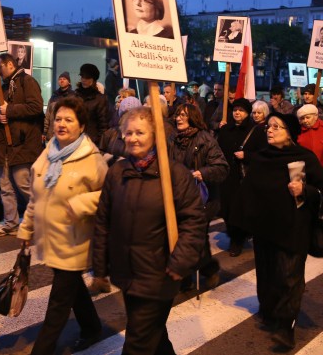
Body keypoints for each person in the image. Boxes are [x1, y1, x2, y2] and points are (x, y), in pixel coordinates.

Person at [93, 106, 206, 355]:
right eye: (129, 132)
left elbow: (194, 221)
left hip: (160, 274)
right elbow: (103, 221)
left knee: (137, 342)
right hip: (127, 272)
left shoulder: (175, 174)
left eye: (140, 133)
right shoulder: (117, 172)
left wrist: (180, 262)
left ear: (154, 136)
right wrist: (100, 268)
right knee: (153, 335)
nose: (133, 138)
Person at [17, 97, 108, 354]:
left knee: (58, 303)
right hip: (51, 238)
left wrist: (82, 203)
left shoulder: (91, 158)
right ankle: (91, 327)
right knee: (72, 288)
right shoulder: (49, 152)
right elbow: (37, 196)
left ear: (81, 126)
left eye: (69, 120)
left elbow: (109, 195)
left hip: (75, 241)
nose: (62, 124)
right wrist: (26, 230)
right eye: (58, 119)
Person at [237, 112, 323, 350]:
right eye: (268, 126)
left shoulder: (303, 158)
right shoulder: (261, 158)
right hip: (265, 229)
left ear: (289, 133)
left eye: (276, 127)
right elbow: (249, 191)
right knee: (267, 274)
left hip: (293, 229)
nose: (269, 130)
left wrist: (304, 190)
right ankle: (269, 312)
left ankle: (286, 327)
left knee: (289, 278)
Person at [169, 103, 228, 290]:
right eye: (178, 114)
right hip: (180, 197)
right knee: (182, 237)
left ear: (193, 118)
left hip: (203, 199)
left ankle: (208, 270)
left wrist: (201, 173)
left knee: (195, 237)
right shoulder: (172, 139)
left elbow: (222, 167)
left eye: (184, 115)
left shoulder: (205, 139)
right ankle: (187, 276)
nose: (179, 118)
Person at [0, 53, 44, 237]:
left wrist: (10, 110)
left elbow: (36, 107)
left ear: (10, 64)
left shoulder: (27, 82)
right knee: (6, 188)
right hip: (4, 146)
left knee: (23, 185)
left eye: (0, 67)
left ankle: (41, 220)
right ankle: (11, 223)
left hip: (22, 144)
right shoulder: (4, 86)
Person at [217, 98, 268, 256]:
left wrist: (247, 155)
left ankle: (237, 240)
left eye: (241, 110)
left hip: (243, 177)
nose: (237, 113)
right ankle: (235, 233)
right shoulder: (225, 130)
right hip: (226, 176)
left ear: (247, 113)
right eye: (235, 110)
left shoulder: (256, 131)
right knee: (226, 209)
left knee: (238, 210)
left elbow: (263, 154)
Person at [99, 96, 142, 163]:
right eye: (126, 114)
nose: (129, 118)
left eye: (133, 114)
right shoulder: (111, 133)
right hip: (112, 170)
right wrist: (113, 159)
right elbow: (99, 152)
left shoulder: (143, 135)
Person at [296, 104, 323, 171]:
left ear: (315, 116)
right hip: (306, 171)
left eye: (308, 117)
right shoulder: (298, 130)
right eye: (302, 118)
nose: (305, 121)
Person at [75, 63, 108, 145]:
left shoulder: (100, 99)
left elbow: (103, 126)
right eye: (82, 77)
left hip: (91, 142)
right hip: (73, 140)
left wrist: (100, 146)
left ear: (93, 80)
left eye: (87, 77)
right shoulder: (74, 96)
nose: (83, 80)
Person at [44, 71, 76, 141]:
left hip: (67, 134)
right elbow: (48, 115)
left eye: (64, 79)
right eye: (60, 79)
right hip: (52, 135)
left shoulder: (73, 96)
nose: (62, 80)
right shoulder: (54, 96)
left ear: (69, 82)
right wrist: (44, 131)